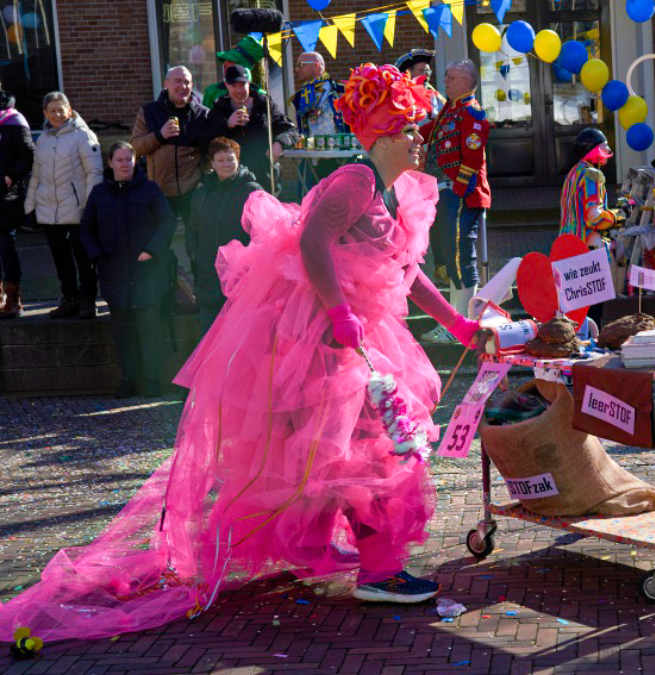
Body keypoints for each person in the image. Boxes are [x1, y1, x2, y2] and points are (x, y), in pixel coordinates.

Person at [0, 63, 482, 643]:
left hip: (351, 340)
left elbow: (406, 270)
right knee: (374, 451)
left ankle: (316, 547)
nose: (419, 138)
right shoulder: (355, 180)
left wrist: (459, 325)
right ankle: (379, 572)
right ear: (380, 133)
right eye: (409, 128)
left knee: (344, 452)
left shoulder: (387, 188)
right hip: (324, 345)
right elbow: (311, 243)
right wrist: (338, 312)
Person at [78, 142, 176, 398]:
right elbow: (86, 228)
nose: (124, 164)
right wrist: (97, 255)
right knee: (123, 333)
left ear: (135, 162)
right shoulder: (99, 194)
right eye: (119, 160)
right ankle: (127, 381)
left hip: (148, 273)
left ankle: (152, 381)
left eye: (128, 159)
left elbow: (167, 221)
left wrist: (153, 250)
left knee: (150, 330)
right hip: (115, 274)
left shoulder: (150, 190)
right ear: (110, 163)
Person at [419, 59, 490, 343]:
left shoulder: (471, 112)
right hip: (442, 192)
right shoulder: (451, 109)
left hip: (460, 193)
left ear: (464, 82)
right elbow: (429, 133)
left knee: (460, 257)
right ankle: (453, 322)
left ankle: (463, 324)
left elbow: (472, 158)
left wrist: (458, 191)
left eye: (450, 77)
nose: (445, 81)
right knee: (448, 258)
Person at [26, 92, 104, 319]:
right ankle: (70, 299)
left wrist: (90, 207)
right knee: (61, 261)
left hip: (78, 210)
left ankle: (88, 300)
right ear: (45, 113)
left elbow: (94, 173)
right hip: (49, 210)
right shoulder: (43, 139)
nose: (57, 114)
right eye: (52, 110)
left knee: (84, 259)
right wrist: (30, 206)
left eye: (61, 109)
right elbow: (36, 176)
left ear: (69, 110)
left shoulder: (83, 135)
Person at [186, 137, 263, 332]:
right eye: (220, 160)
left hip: (241, 280)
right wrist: (194, 252)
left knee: (239, 338)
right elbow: (192, 227)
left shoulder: (251, 191)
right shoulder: (201, 193)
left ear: (238, 160)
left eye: (230, 159)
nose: (226, 164)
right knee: (208, 336)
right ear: (212, 163)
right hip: (208, 276)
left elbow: (263, 232)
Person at [131, 66, 217, 228]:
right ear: (166, 83)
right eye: (178, 81)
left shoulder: (203, 114)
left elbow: (213, 150)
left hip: (193, 190)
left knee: (196, 242)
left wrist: (204, 180)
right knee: (160, 245)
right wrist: (159, 135)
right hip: (159, 191)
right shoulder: (149, 112)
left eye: (187, 82)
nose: (183, 86)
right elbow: (135, 148)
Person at [210, 65, 298, 193]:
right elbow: (205, 140)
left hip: (265, 178)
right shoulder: (220, 108)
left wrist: (279, 144)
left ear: (249, 84)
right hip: (232, 182)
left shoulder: (264, 105)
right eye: (234, 86)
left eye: (242, 85)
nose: (239, 90)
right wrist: (227, 124)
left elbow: (290, 130)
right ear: (226, 86)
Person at [0, 85, 33, 319]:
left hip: (5, 195)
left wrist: (9, 178)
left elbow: (27, 155)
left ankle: (13, 297)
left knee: (5, 244)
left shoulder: (13, 119)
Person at [291, 51, 348, 182]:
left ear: (316, 66)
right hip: (311, 162)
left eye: (301, 65)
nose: (297, 69)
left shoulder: (342, 92)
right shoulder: (297, 98)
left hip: (342, 159)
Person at [560, 128, 616, 248]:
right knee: (618, 247)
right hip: (586, 243)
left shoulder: (574, 171)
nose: (608, 149)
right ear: (595, 150)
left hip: (567, 241)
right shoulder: (593, 175)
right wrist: (617, 217)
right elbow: (593, 218)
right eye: (605, 145)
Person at [202, 35, 265, 108]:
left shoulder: (261, 97)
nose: (224, 64)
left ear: (242, 66)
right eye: (225, 60)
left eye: (230, 61)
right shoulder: (212, 92)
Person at [396, 48, 447, 115]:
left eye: (428, 70)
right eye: (422, 70)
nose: (427, 74)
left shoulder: (434, 95)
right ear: (408, 72)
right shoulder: (400, 95)